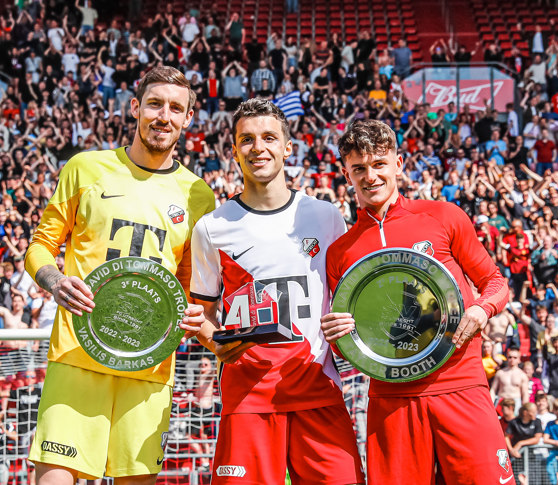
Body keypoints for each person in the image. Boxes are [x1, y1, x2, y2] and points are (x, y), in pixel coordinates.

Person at [24, 66, 214, 485]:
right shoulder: (85, 168)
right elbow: (39, 246)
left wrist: (193, 314)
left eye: (175, 108)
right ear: (134, 108)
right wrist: (56, 282)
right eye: (154, 104)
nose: (163, 116)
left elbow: (191, 286)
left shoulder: (198, 194)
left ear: (188, 118)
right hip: (78, 354)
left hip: (149, 366)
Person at [320, 119, 511, 484]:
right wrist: (337, 334)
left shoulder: (443, 216)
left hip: (460, 383)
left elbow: (496, 282)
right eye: (359, 169)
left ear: (399, 164)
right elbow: (351, 341)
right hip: (391, 397)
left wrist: (480, 308)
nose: (370, 176)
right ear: (346, 175)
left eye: (379, 164)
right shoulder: (340, 252)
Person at [186, 98, 364, 484]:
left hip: (319, 389)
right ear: (234, 150)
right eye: (246, 140)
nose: (258, 147)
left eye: (269, 137)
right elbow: (203, 314)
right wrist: (214, 341)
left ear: (287, 147)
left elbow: (349, 297)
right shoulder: (212, 227)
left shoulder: (326, 216)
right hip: (248, 396)